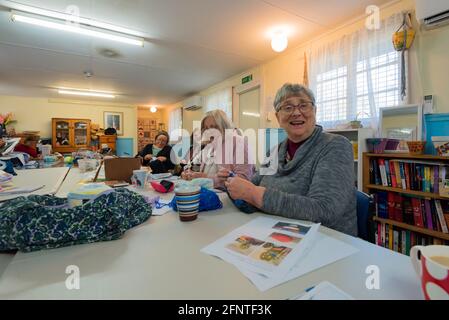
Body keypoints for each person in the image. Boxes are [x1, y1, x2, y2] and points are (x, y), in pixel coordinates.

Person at [225, 83, 357, 236]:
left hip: (327, 242)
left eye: (303, 105)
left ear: (314, 110)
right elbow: (250, 189)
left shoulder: (335, 146)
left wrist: (255, 194)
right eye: (287, 107)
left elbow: (325, 210)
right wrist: (231, 183)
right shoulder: (275, 151)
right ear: (277, 117)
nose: (296, 113)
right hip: (275, 234)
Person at [181, 110, 255, 190]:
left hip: (229, 199)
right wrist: (187, 173)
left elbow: (243, 180)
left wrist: (207, 178)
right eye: (206, 128)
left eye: (214, 127)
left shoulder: (239, 142)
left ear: (224, 126)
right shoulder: (209, 147)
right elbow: (192, 166)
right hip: (208, 194)